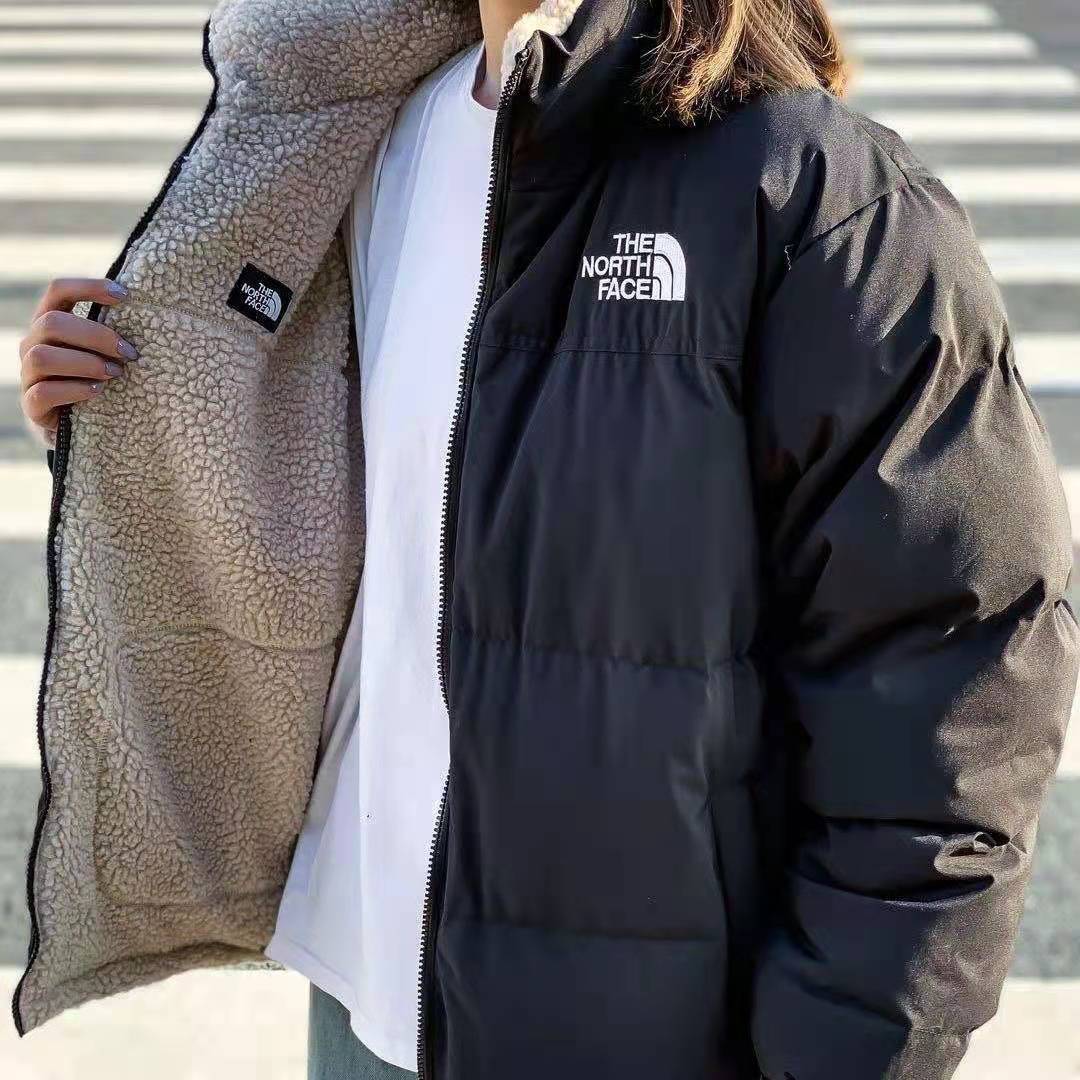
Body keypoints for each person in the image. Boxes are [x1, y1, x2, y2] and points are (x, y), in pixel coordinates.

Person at [13, 0, 1079, 1077]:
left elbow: (952, 669)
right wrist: (140, 414)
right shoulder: (363, 128)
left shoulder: (817, 192)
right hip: (362, 983)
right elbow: (359, 503)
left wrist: (838, 1056)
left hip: (636, 1028)